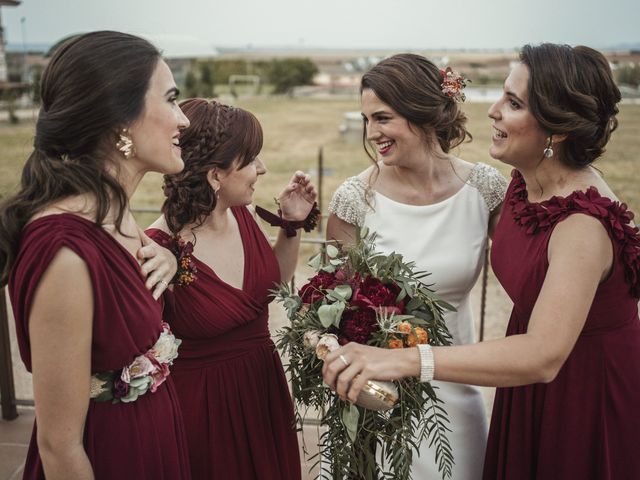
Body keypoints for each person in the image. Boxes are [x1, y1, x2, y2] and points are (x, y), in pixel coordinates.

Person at [323, 44, 640, 480]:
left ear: (558, 127)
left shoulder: (583, 223)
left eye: (512, 102)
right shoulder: (522, 189)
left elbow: (545, 354)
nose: (491, 111)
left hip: (579, 394)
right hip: (521, 383)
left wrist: (408, 360)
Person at [0, 31, 192, 479]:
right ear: (120, 121)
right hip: (108, 457)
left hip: (156, 441)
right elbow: (59, 445)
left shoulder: (120, 219)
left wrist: (167, 258)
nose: (183, 119)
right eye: (170, 99)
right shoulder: (64, 253)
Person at [325, 53, 507, 479]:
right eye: (366, 119)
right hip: (377, 398)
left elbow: (529, 275)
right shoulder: (354, 201)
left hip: (456, 394)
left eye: (382, 118)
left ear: (421, 112)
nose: (372, 134)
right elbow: (332, 309)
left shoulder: (485, 190)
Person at [146, 98, 317, 479]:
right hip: (204, 411)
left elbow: (268, 289)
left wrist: (290, 224)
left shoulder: (240, 214)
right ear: (215, 175)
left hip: (263, 388)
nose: (262, 168)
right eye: (251, 159)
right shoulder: (157, 249)